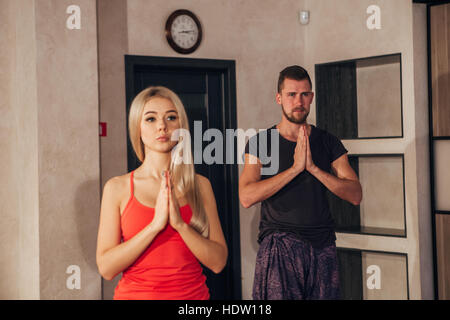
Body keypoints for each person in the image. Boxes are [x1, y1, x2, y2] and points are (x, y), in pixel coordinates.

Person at [239, 65, 362, 300]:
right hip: (280, 245)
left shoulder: (328, 142)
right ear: (279, 98)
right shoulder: (260, 143)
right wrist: (295, 169)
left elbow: (355, 194)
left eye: (305, 94)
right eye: (291, 94)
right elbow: (246, 197)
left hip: (322, 246)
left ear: (312, 97)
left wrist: (314, 169)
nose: (299, 101)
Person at [96, 86, 228, 300]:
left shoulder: (201, 185)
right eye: (150, 119)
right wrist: (155, 226)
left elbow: (218, 261)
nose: (162, 126)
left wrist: (180, 225)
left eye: (171, 117)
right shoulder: (117, 188)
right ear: (136, 127)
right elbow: (106, 268)